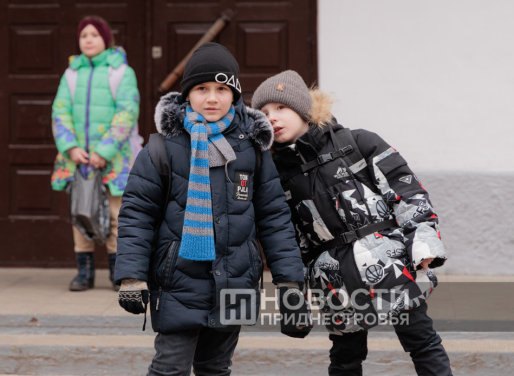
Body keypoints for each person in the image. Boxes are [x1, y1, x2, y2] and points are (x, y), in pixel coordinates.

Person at [114, 43, 308, 376]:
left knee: (216, 368)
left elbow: (275, 218)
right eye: (201, 88)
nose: (212, 98)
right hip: (178, 281)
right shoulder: (161, 149)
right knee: (169, 368)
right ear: (187, 94)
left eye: (222, 89)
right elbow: (137, 216)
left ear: (235, 94)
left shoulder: (253, 150)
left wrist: (290, 283)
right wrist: (131, 276)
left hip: (236, 280)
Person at [252, 70, 451, 376]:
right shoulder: (274, 174)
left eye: (281, 107)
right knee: (346, 356)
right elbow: (288, 240)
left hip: (389, 264)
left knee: (420, 340)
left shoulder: (357, 142)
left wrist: (423, 246)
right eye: (264, 113)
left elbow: (408, 193)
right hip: (333, 278)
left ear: (303, 108)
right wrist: (295, 295)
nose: (273, 117)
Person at [51, 16, 140, 292]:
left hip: (113, 160)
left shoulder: (121, 72)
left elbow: (127, 112)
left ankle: (117, 272)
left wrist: (104, 151)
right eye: (83, 35)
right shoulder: (71, 74)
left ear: (106, 39)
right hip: (79, 159)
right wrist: (71, 147)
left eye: (94, 35)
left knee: (117, 216)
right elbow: (60, 111)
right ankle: (84, 273)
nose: (88, 40)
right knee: (81, 212)